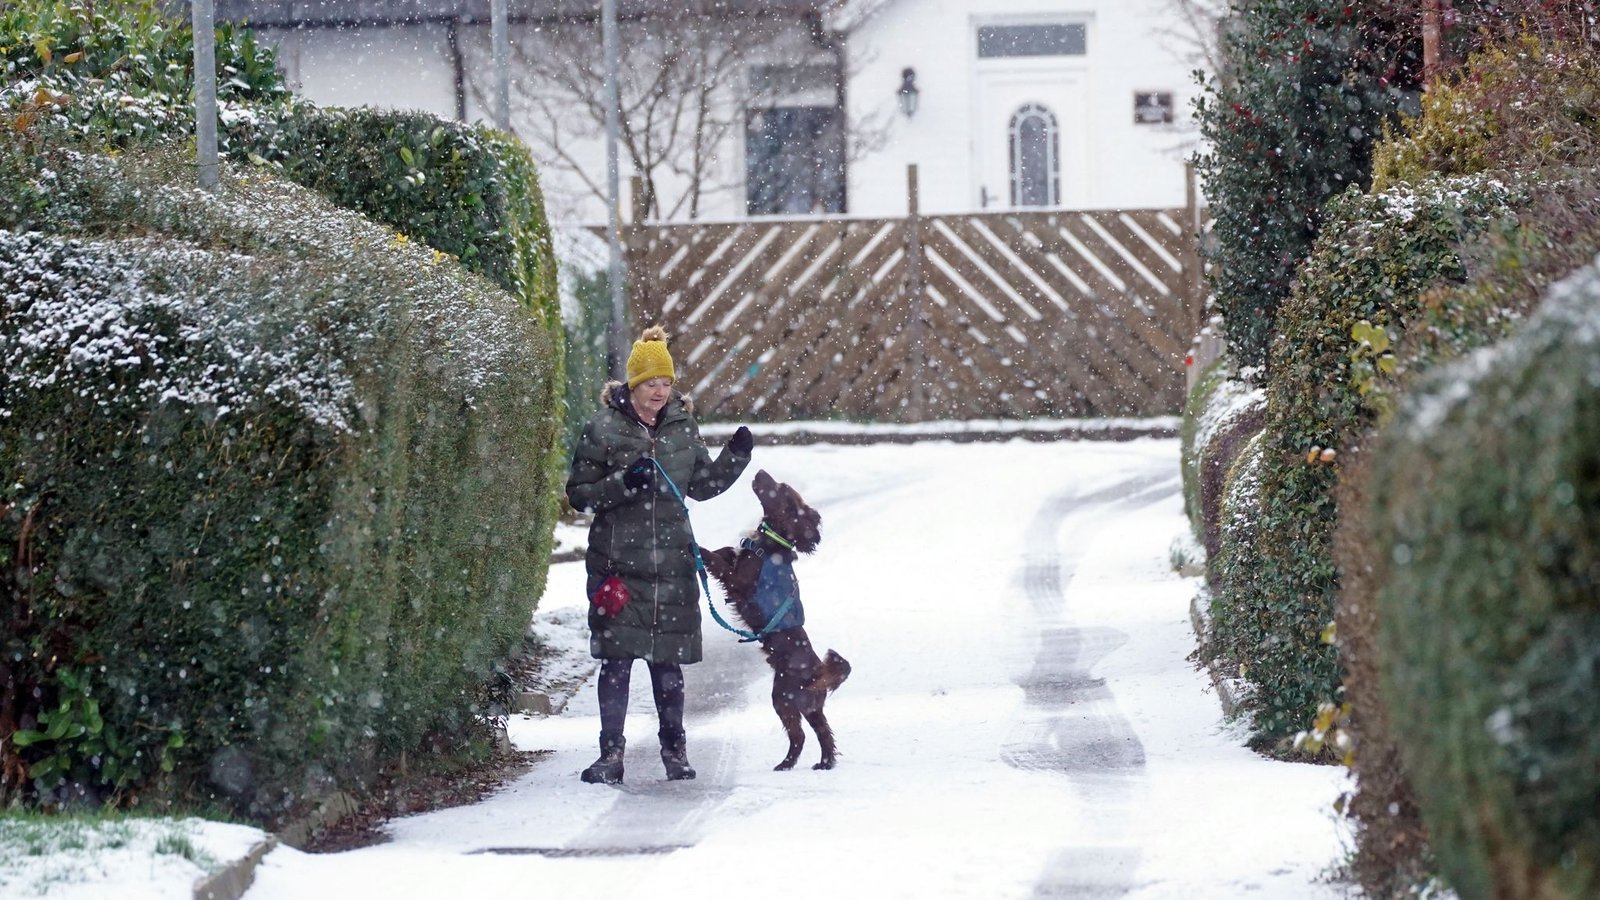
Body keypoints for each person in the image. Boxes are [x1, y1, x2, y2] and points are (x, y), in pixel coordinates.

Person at [565, 324, 754, 784]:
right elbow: (579, 495)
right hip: (619, 568)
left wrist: (735, 457)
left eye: (666, 383)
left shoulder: (682, 428)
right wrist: (622, 485)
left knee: (667, 664)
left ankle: (675, 751)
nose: (660, 391)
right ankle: (610, 755)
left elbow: (703, 486)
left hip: (670, 565)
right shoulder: (603, 428)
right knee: (616, 662)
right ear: (633, 384)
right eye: (651, 383)